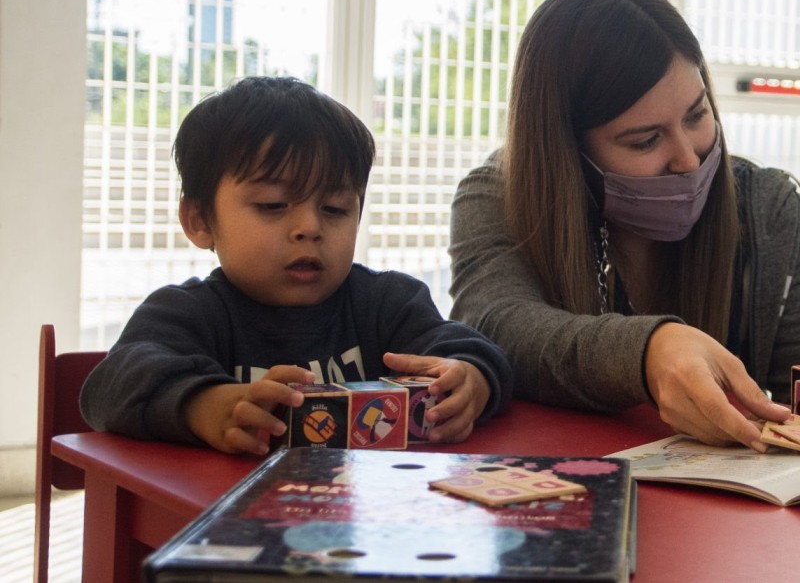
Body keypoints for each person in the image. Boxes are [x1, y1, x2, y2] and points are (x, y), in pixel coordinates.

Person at [448, 0, 800, 453]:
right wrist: (648, 352)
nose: (689, 159)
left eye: (697, 115)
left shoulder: (772, 208)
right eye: (646, 141)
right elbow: (497, 326)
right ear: (568, 153)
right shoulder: (497, 197)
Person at [80, 76, 513, 455]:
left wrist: (471, 380)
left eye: (335, 208)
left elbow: (473, 350)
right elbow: (110, 386)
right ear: (199, 221)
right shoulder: (188, 313)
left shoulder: (387, 303)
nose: (309, 227)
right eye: (273, 205)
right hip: (222, 530)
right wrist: (205, 405)